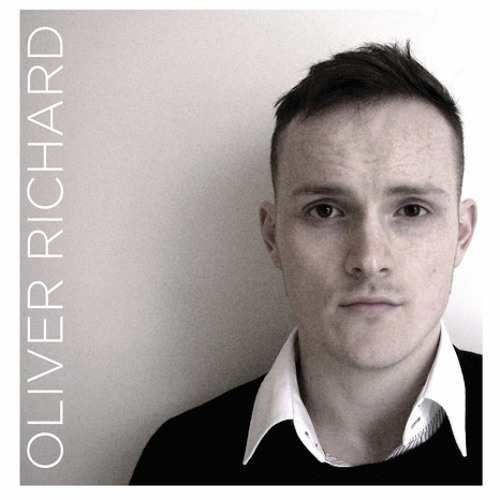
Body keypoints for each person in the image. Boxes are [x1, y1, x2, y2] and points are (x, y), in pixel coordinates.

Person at [130, 42, 481, 485]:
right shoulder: (179, 463)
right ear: (272, 236)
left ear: (461, 234)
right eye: (325, 210)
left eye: (411, 210)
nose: (369, 259)